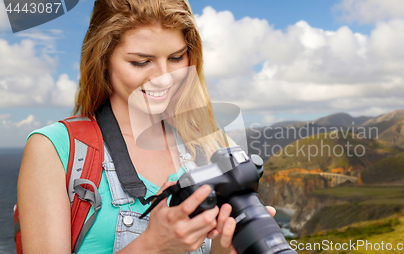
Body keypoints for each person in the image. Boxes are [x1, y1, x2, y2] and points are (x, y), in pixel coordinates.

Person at [17, 0, 275, 253]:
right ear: (103, 58)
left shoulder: (213, 144)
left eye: (176, 58)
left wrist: (225, 246)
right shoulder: (54, 149)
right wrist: (154, 245)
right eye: (141, 62)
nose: (164, 78)